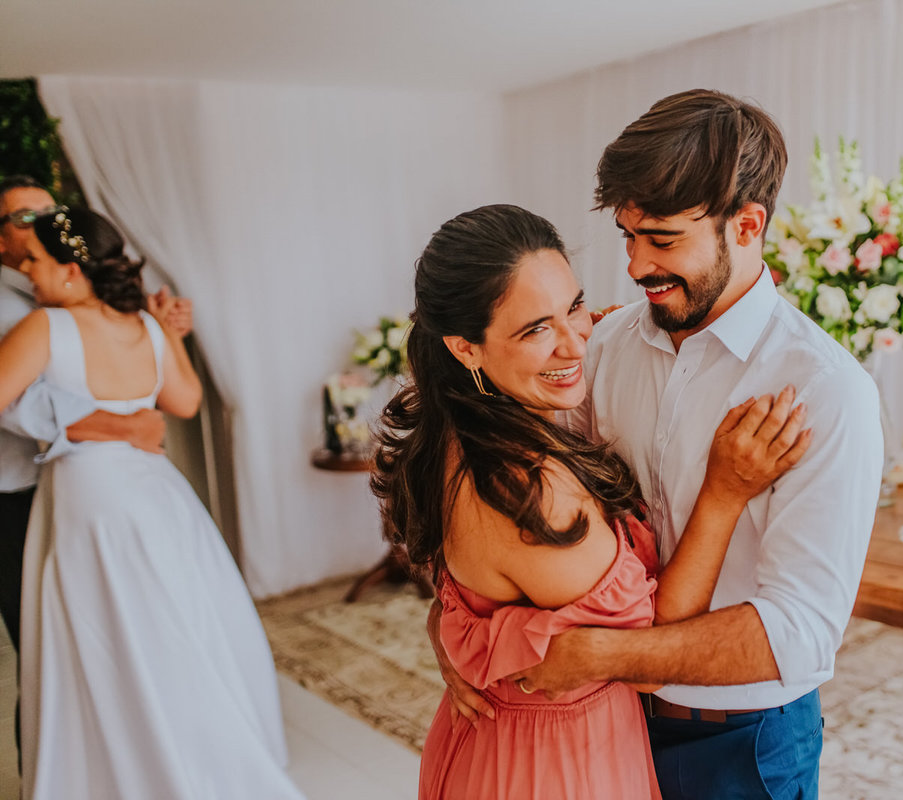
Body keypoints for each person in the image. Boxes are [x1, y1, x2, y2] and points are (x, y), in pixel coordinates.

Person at [499, 89, 885, 799]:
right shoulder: (608, 344)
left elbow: (800, 632)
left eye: (664, 240)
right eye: (629, 237)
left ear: (747, 225)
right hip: (604, 723)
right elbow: (537, 510)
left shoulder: (827, 390)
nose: (638, 265)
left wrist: (604, 655)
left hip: (745, 744)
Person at [371, 204, 810, 800]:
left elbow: (469, 586)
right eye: (535, 329)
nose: (577, 342)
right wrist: (724, 492)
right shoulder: (529, 485)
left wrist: (454, 632)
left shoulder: (455, 429)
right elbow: (654, 644)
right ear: (465, 348)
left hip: (503, 744)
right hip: (554, 767)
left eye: (573, 306)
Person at [0, 206, 303, 799]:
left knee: (103, 637)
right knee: (167, 626)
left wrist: (77, 425)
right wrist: (159, 344)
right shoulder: (141, 323)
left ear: (70, 270)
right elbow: (183, 401)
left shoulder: (46, 327)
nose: (26, 273)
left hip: (94, 502)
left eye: (34, 260)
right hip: (157, 496)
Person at [0, 176, 184, 657]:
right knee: (50, 637)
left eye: (49, 211)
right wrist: (119, 424)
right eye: (26, 217)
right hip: (14, 485)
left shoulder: (64, 308)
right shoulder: (36, 312)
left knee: (122, 620)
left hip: (96, 484)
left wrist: (166, 331)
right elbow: (19, 399)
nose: (42, 222)